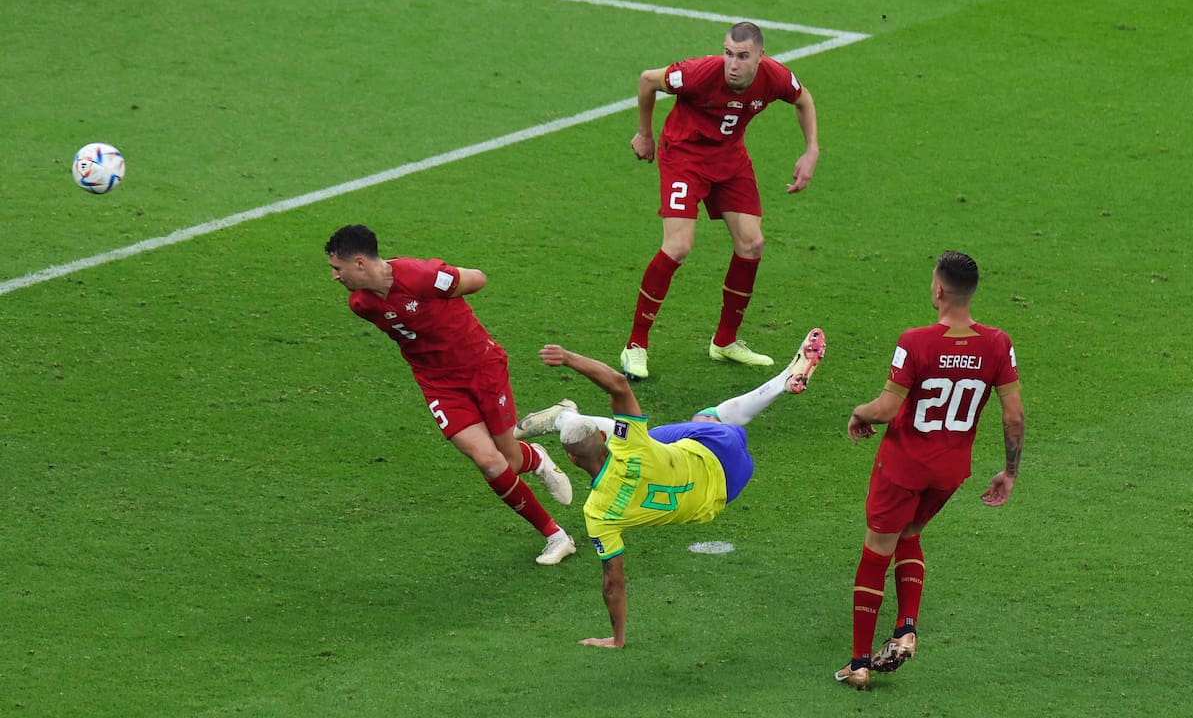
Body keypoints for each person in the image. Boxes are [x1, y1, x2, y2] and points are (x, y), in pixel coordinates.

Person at [522, 328, 826, 647]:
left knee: (672, 433)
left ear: (570, 460)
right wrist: (568, 358)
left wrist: (617, 638)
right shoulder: (630, 445)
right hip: (714, 449)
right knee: (706, 418)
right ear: (602, 439)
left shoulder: (596, 513)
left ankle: (565, 418)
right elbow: (618, 384)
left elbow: (613, 583)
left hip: (726, 489)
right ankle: (567, 416)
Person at [324, 224, 577, 565]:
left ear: (359, 263)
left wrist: (444, 292)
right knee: (488, 462)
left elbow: (478, 278)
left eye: (337, 269)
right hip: (438, 384)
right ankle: (556, 536)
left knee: (510, 462)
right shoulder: (360, 303)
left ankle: (534, 457)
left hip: (482, 367)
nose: (334, 277)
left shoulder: (420, 276)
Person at [834, 251, 1026, 689]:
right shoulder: (997, 343)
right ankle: (905, 630)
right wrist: (1010, 471)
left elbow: (885, 408)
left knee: (874, 554)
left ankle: (860, 663)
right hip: (950, 471)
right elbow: (1014, 416)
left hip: (903, 467)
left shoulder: (916, 341)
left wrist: (858, 412)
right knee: (910, 535)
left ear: (938, 290)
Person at [620, 20, 820, 381]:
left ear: (761, 56)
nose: (733, 64)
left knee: (752, 242)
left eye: (743, 56)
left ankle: (725, 342)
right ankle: (635, 345)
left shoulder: (774, 78)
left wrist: (811, 150)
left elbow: (803, 98)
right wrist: (644, 133)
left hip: (729, 159)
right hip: (684, 156)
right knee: (678, 245)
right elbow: (649, 79)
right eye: (728, 53)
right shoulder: (697, 73)